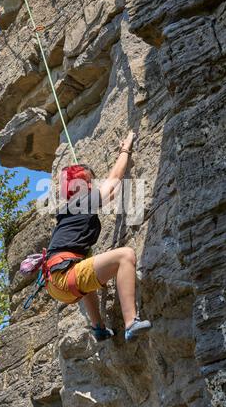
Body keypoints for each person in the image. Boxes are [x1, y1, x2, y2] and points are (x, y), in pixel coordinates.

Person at [46, 132, 152, 342]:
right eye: (90, 181)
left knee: (85, 269)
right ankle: (131, 322)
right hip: (64, 277)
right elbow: (113, 180)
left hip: (58, 283)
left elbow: (110, 192)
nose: (93, 185)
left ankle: (98, 328)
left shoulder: (72, 209)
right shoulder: (82, 202)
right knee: (125, 256)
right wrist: (125, 148)